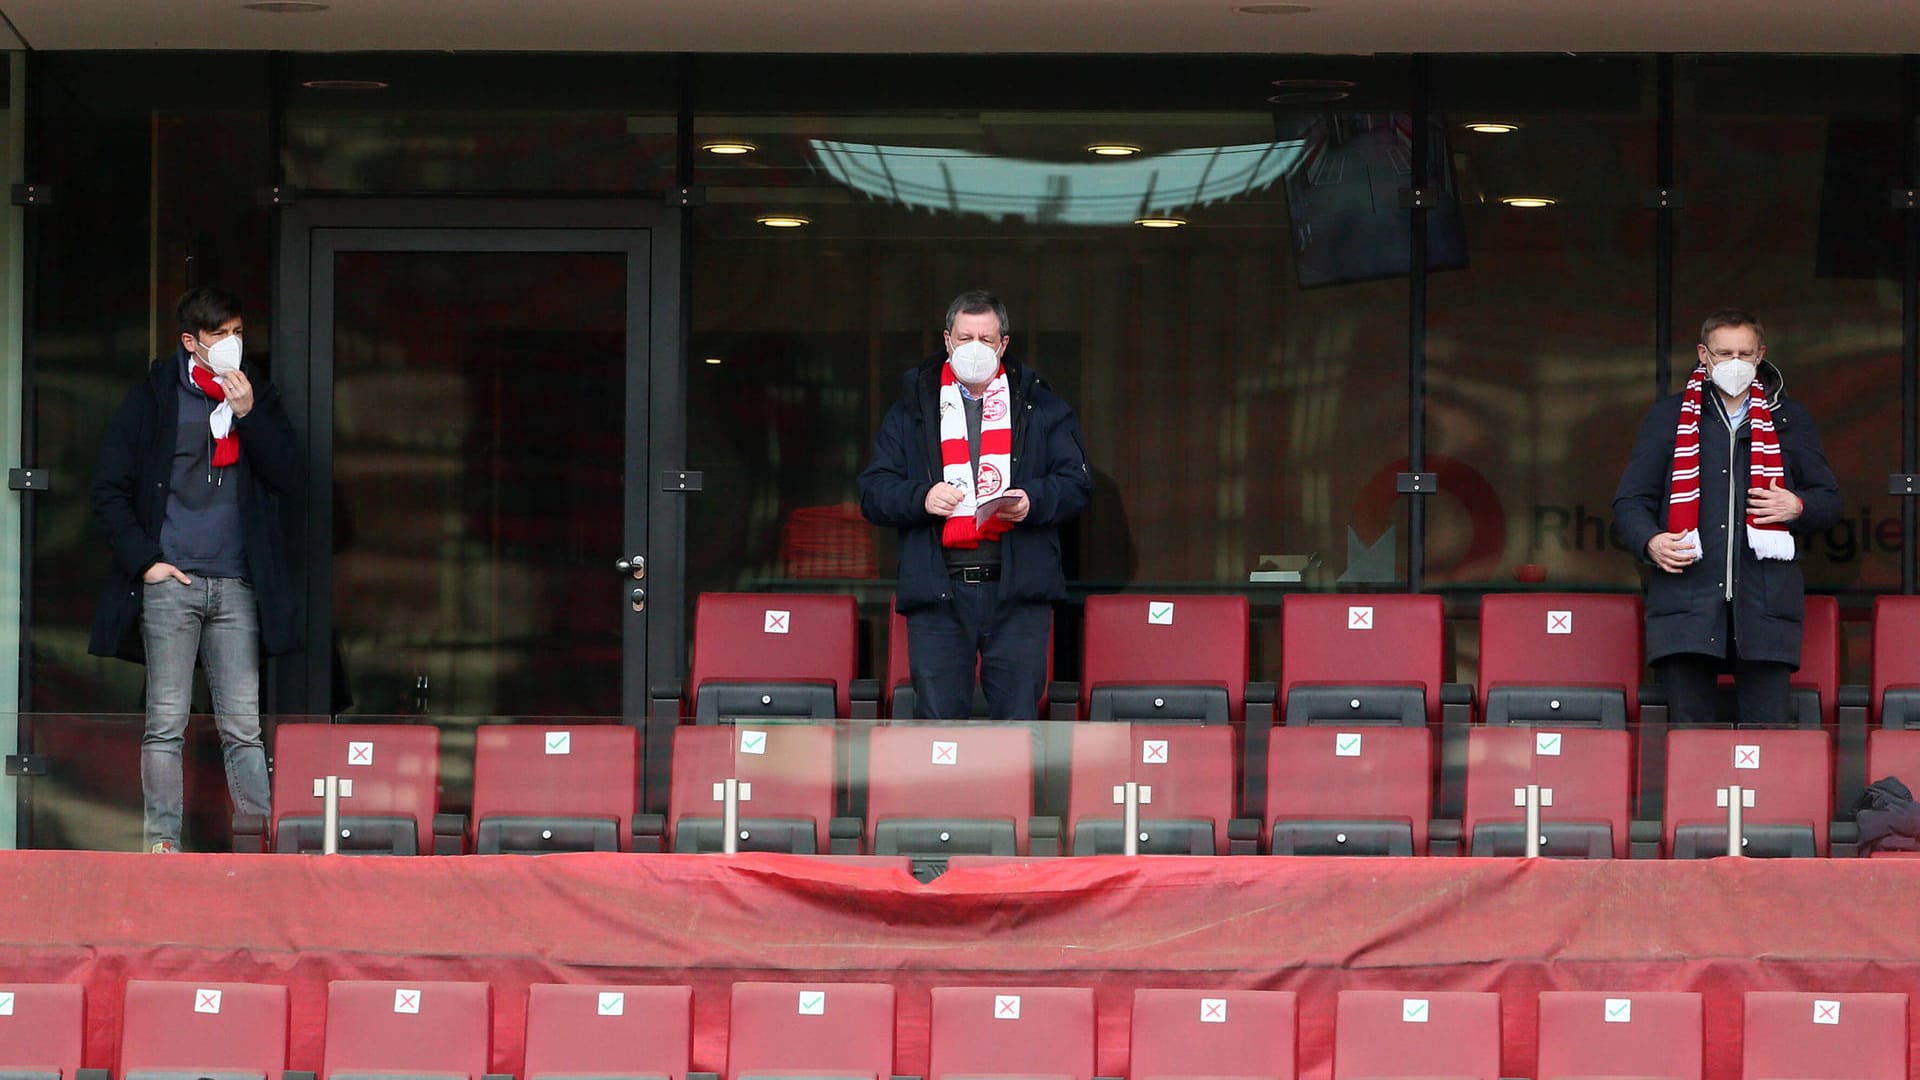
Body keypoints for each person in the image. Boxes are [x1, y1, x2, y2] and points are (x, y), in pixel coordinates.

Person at [89, 286, 304, 852]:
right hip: (172, 582)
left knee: (244, 727)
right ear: (191, 342)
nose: (233, 346)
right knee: (166, 723)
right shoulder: (152, 400)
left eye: (239, 333)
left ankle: (261, 843)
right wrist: (148, 563)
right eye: (220, 336)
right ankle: (162, 843)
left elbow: (290, 477)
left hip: (236, 582)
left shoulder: (258, 395)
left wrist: (248, 415)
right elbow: (108, 491)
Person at [858, 290, 1090, 720]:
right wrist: (921, 497)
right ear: (948, 341)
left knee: (1018, 728)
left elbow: (1076, 484)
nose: (976, 348)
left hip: (1018, 592)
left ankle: (1016, 793)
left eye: (986, 338)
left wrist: (1032, 500)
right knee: (940, 733)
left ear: (1004, 344)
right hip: (938, 592)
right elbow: (873, 492)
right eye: (966, 338)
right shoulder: (912, 407)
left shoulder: (1041, 405)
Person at [1613, 307, 1841, 727]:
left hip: (1766, 609)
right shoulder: (1669, 416)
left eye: (1745, 353)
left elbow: (1829, 500)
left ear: (1760, 355)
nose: (1734, 363)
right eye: (1723, 353)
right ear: (1704, 354)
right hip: (1687, 606)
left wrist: (1798, 507)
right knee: (1689, 749)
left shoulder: (1790, 419)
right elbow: (1630, 501)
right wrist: (1651, 541)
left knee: (1764, 746)